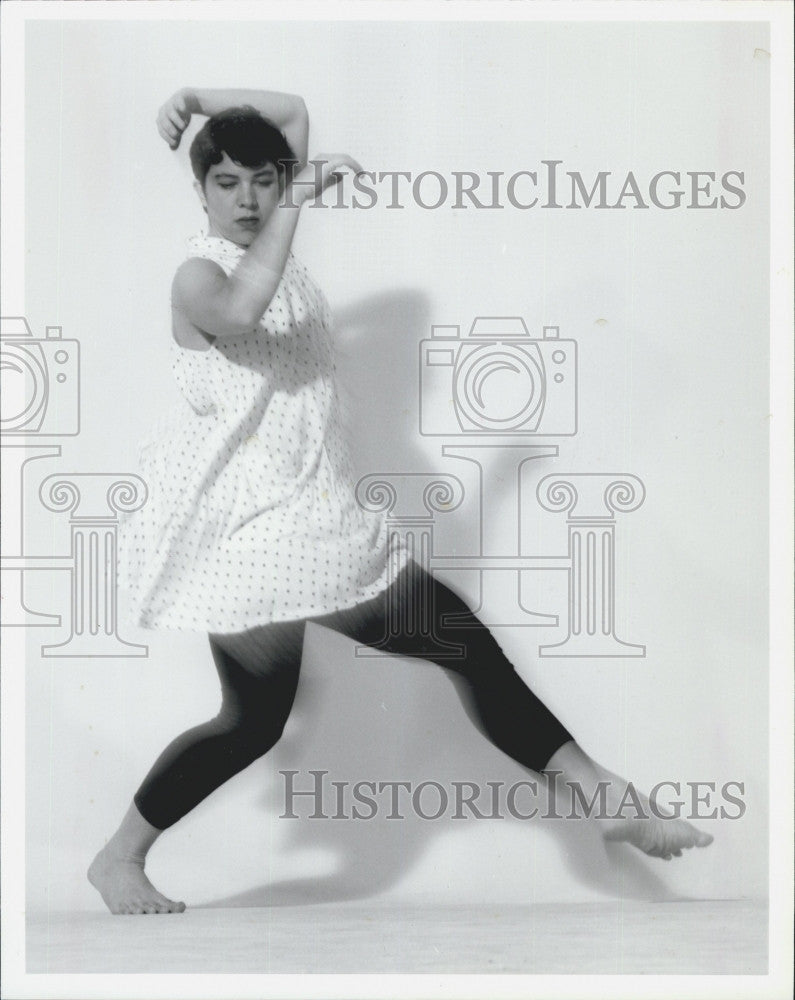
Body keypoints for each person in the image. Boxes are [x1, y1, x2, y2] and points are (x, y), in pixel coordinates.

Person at [89, 87, 712, 915]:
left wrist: (205, 98)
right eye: (227, 182)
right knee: (457, 641)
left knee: (253, 722)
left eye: (263, 182)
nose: (247, 199)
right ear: (198, 189)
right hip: (260, 533)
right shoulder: (200, 274)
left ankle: (118, 859)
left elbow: (294, 110)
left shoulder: (277, 237)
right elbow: (242, 309)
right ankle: (601, 791)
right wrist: (294, 202)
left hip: (293, 521)